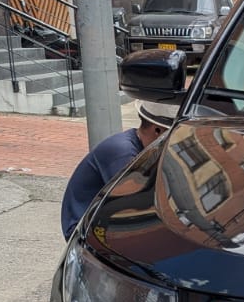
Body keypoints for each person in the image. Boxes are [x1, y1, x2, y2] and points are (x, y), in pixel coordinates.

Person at [60, 101, 177, 239]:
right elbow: (135, 205)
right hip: (82, 229)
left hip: (99, 221)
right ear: (157, 130)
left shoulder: (139, 148)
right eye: (173, 134)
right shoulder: (124, 153)